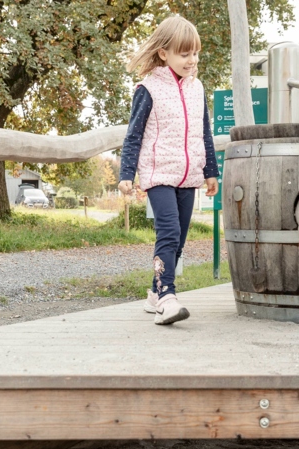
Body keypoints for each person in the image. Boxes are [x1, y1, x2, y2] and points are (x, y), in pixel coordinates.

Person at [118, 15, 219, 325]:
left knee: (180, 240)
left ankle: (153, 294)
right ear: (164, 54)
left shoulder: (196, 88)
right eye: (184, 54)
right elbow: (133, 135)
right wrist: (126, 174)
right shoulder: (147, 89)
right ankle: (167, 298)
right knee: (169, 232)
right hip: (159, 174)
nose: (192, 60)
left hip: (188, 176)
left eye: (195, 53)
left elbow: (205, 131)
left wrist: (210, 171)